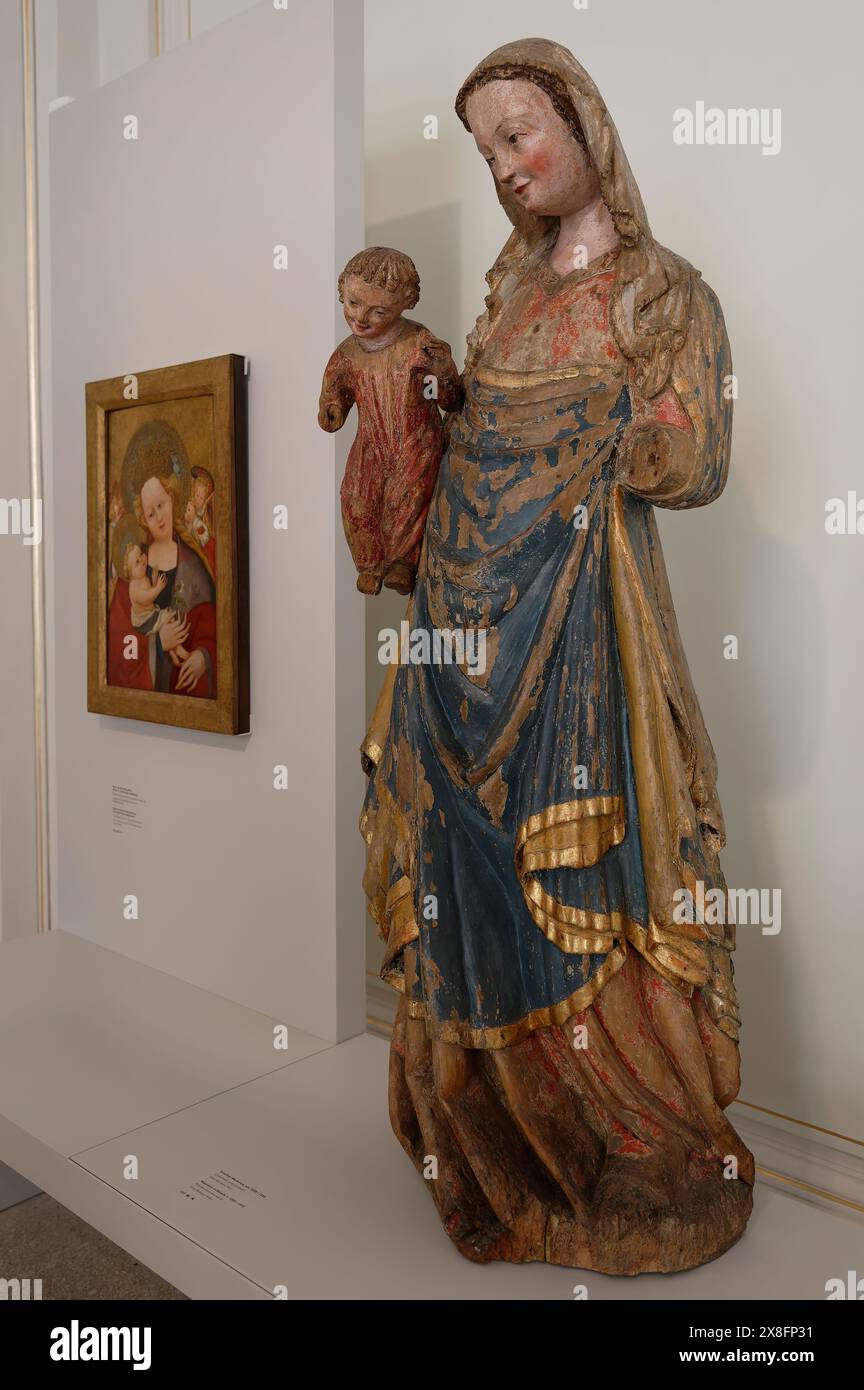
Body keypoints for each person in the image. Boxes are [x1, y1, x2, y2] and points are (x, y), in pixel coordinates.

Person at [360, 38, 754, 1275]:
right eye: (487, 150)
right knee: (462, 855)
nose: (508, 166)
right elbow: (470, 446)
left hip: (589, 633)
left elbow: (694, 464)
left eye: (521, 131)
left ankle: (637, 1127)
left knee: (598, 867)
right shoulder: (504, 299)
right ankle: (506, 1122)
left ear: (585, 126)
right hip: (468, 624)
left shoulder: (663, 292)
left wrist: (621, 431)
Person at [319, 246, 463, 595]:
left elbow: (451, 401)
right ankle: (368, 563)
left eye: (378, 310)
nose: (361, 318)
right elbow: (333, 394)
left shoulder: (418, 344)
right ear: (343, 290)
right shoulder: (347, 353)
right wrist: (332, 408)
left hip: (414, 439)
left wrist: (443, 370)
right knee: (356, 497)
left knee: (409, 496)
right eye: (353, 303)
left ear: (405, 304)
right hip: (370, 443)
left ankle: (402, 561)